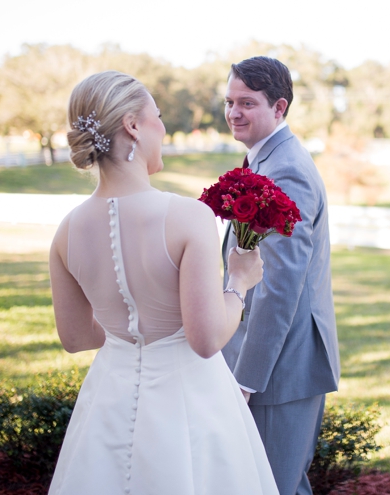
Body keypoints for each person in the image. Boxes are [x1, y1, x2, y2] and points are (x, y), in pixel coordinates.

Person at [47, 71, 278, 495]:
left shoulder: (66, 232)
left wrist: (126, 332)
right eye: (158, 116)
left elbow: (76, 337)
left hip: (108, 401)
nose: (164, 128)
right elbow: (206, 338)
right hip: (189, 402)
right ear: (133, 125)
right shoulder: (187, 217)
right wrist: (239, 283)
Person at [221, 56, 341, 495]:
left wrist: (248, 376)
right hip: (270, 360)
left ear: (279, 108)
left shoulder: (285, 170)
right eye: (230, 101)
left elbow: (279, 285)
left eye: (247, 103)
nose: (234, 112)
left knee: (270, 486)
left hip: (278, 369)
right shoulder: (263, 160)